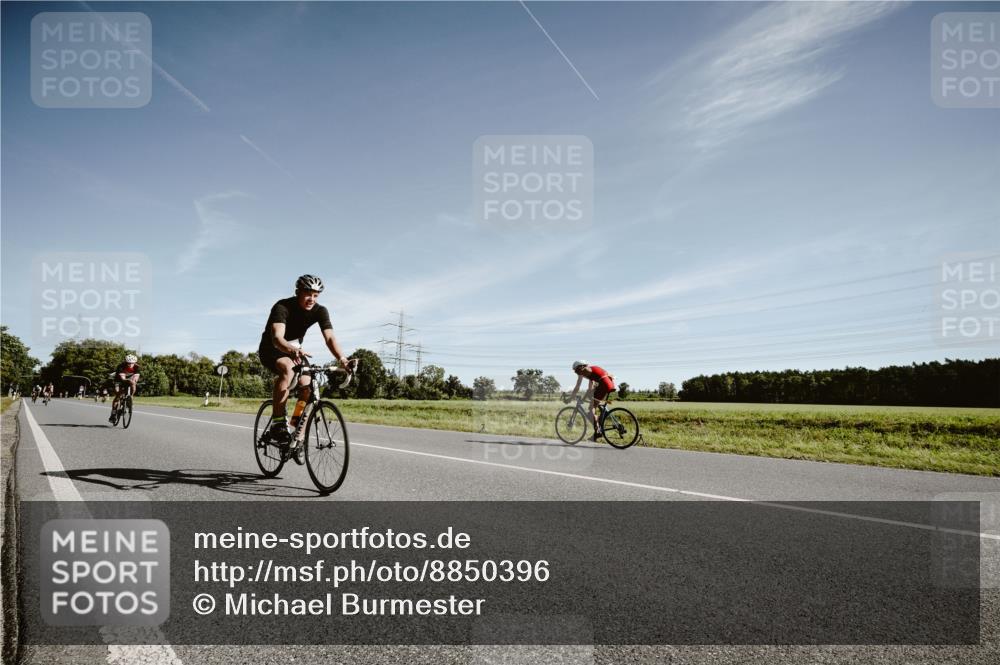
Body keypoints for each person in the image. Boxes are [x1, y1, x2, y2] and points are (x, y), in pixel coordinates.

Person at [258, 274, 349, 461]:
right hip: (272, 348)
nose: (312, 299)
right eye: (308, 294)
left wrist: (342, 358)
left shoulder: (320, 311)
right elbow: (277, 338)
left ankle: (297, 437)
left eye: (316, 295)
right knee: (288, 368)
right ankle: (277, 423)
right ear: (298, 292)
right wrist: (291, 350)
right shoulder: (282, 307)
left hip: (296, 350)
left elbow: (330, 338)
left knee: (308, 387)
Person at [568, 360, 617, 442]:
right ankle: (599, 424)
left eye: (576, 370)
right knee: (595, 403)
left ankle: (598, 431)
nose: (576, 373)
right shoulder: (591, 369)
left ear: (581, 367)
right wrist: (585, 397)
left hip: (604, 385)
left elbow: (585, 388)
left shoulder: (586, 372)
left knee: (591, 409)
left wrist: (578, 398)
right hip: (609, 383)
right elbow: (591, 389)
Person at [109, 353, 141, 423]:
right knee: (118, 395)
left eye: (132, 363)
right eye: (128, 363)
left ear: (135, 363)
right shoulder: (121, 366)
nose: (130, 364)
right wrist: (128, 381)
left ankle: (130, 399)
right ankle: (113, 414)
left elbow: (136, 377)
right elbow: (123, 379)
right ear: (126, 362)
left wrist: (133, 381)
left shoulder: (137, 367)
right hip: (119, 380)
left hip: (129, 379)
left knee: (133, 384)